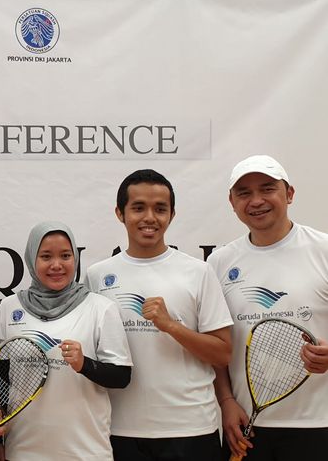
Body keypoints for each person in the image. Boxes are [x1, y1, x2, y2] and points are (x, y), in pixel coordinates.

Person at [85, 169, 232, 461]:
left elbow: (223, 353)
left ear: (172, 215)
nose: (149, 217)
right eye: (138, 208)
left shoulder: (198, 272)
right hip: (118, 430)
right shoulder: (98, 276)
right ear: (120, 213)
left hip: (191, 430)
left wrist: (170, 326)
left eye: (160, 209)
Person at [207, 155, 328, 460]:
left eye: (267, 189)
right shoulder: (218, 263)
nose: (256, 201)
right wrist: (226, 402)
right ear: (232, 202)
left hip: (318, 423)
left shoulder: (324, 250)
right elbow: (217, 345)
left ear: (289, 193)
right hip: (246, 427)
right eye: (244, 193)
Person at [0, 221, 132, 461]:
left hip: (86, 451)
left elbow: (122, 377)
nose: (56, 265)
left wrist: (84, 364)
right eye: (46, 256)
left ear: (75, 259)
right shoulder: (8, 308)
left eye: (65, 255)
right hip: (23, 450)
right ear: (31, 260)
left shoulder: (100, 308)